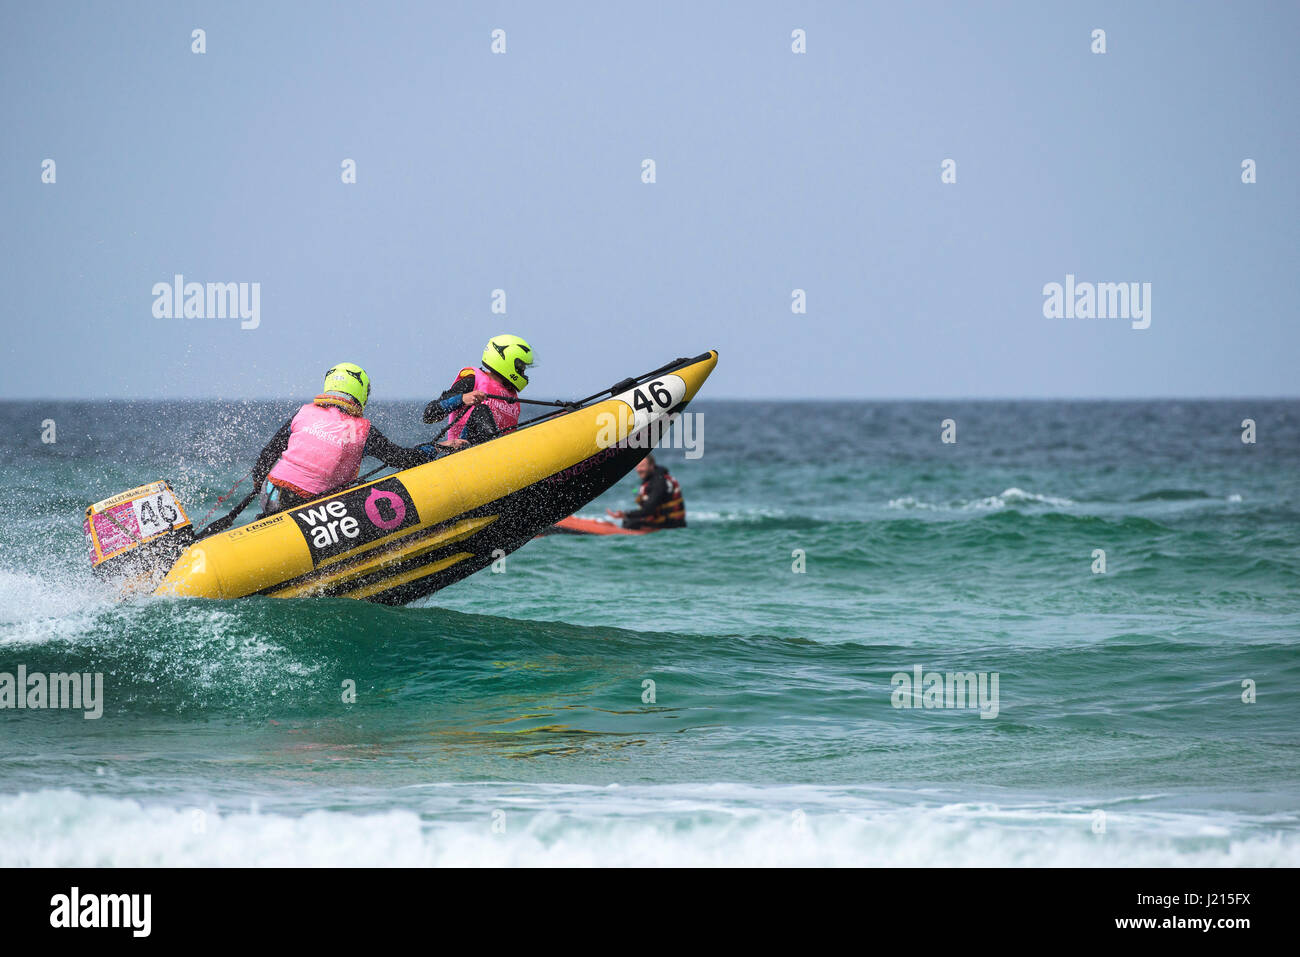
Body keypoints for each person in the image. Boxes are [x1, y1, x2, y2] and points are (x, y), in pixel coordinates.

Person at [250, 363, 430, 517]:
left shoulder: (304, 412)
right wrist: (433, 449)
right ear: (361, 393)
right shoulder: (362, 431)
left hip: (271, 493)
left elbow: (269, 453)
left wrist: (258, 480)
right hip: (312, 508)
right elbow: (402, 459)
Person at [422, 334, 534, 452]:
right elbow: (429, 415)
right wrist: (462, 399)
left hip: (498, 455)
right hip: (464, 454)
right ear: (506, 361)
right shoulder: (472, 381)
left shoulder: (512, 398)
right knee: (481, 411)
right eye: (521, 367)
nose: (523, 372)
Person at [606, 454, 686, 530]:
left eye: (642, 466)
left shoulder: (658, 482)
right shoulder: (654, 478)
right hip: (668, 523)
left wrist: (625, 514)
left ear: (651, 466)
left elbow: (648, 510)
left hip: (670, 526)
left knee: (629, 524)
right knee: (629, 521)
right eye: (637, 466)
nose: (639, 469)